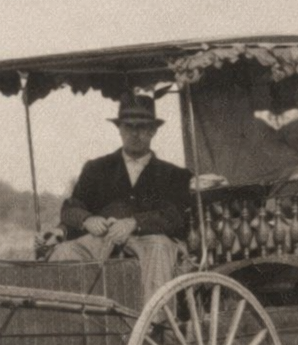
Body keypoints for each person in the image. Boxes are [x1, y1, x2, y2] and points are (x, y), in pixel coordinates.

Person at [46, 92, 193, 297]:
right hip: (101, 240)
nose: (134, 133)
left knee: (160, 248)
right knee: (64, 253)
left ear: (153, 131)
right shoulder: (96, 168)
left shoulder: (174, 175)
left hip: (150, 241)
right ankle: (74, 324)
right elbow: (71, 207)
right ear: (119, 129)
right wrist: (87, 220)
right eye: (128, 126)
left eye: (141, 127)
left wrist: (135, 223)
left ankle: (155, 325)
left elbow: (176, 216)